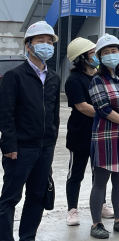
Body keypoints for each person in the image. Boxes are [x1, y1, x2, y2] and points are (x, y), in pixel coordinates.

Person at [0, 21, 60, 241]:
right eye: (40, 41)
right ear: (28, 45)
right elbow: (5, 113)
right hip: (20, 149)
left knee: (36, 197)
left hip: (44, 148)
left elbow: (54, 114)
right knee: (10, 198)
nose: (46, 45)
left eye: (49, 42)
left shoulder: (54, 77)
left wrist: (51, 142)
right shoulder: (14, 76)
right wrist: (9, 145)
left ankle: (28, 237)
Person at [88, 34, 119, 239]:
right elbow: (103, 109)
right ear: (100, 57)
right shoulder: (97, 80)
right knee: (100, 181)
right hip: (105, 136)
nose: (110, 55)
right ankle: (96, 223)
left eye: (113, 51)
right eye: (106, 52)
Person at [64, 37, 114, 226]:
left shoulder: (102, 76)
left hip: (101, 132)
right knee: (76, 173)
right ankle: (72, 209)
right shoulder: (74, 80)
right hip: (80, 133)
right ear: (81, 58)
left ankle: (100, 203)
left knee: (99, 173)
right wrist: (109, 114)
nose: (97, 56)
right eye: (92, 53)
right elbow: (82, 107)